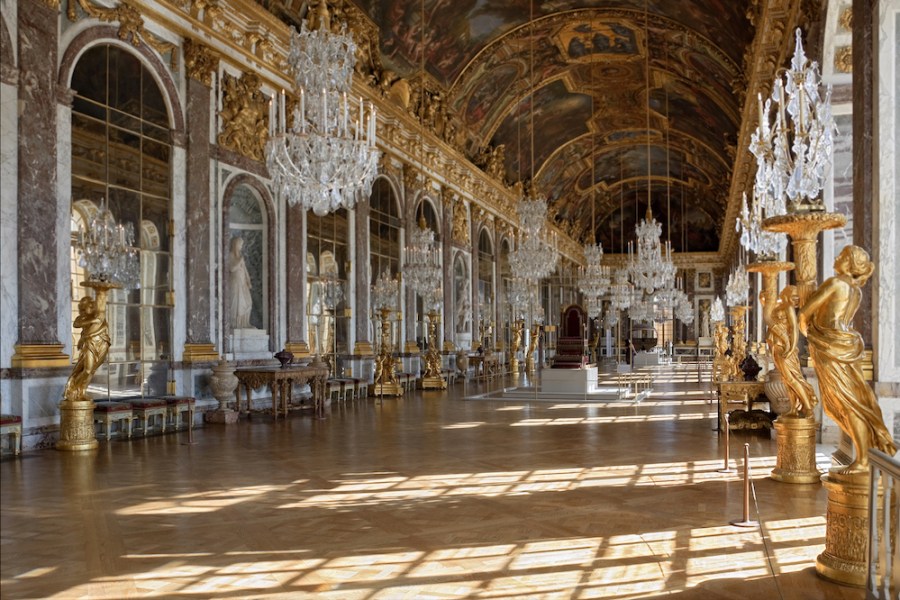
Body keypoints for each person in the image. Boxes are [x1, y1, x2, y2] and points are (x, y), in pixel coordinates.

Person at [799, 246, 896, 474]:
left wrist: (810, 335)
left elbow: (804, 313)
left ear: (850, 263)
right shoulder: (856, 291)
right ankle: (862, 458)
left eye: (841, 256)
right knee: (850, 404)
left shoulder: (834, 283)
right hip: (846, 346)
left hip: (829, 347)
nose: (836, 258)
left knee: (846, 404)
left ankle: (862, 461)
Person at [767, 285, 817, 417]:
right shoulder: (780, 307)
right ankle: (794, 408)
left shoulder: (787, 307)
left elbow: (795, 329)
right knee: (786, 379)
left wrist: (791, 348)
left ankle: (808, 407)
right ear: (786, 294)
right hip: (778, 347)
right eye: (794, 296)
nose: (796, 300)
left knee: (792, 378)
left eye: (797, 297)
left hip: (785, 348)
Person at [63, 295, 111, 403]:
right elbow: (76, 324)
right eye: (82, 309)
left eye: (86, 308)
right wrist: (92, 323)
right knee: (87, 369)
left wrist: (94, 327)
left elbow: (104, 326)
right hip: (89, 344)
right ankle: (74, 387)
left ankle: (82, 392)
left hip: (102, 343)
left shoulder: (99, 316)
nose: (83, 311)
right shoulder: (84, 318)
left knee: (92, 371)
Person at [228, 236, 253, 329]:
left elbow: (245, 270)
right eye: (240, 244)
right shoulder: (230, 255)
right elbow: (231, 268)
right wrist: (239, 261)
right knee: (236, 304)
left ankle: (245, 323)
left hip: (243, 283)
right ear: (235, 244)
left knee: (248, 302)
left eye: (242, 245)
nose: (241, 247)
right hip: (235, 283)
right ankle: (236, 324)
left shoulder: (240, 256)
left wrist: (248, 280)